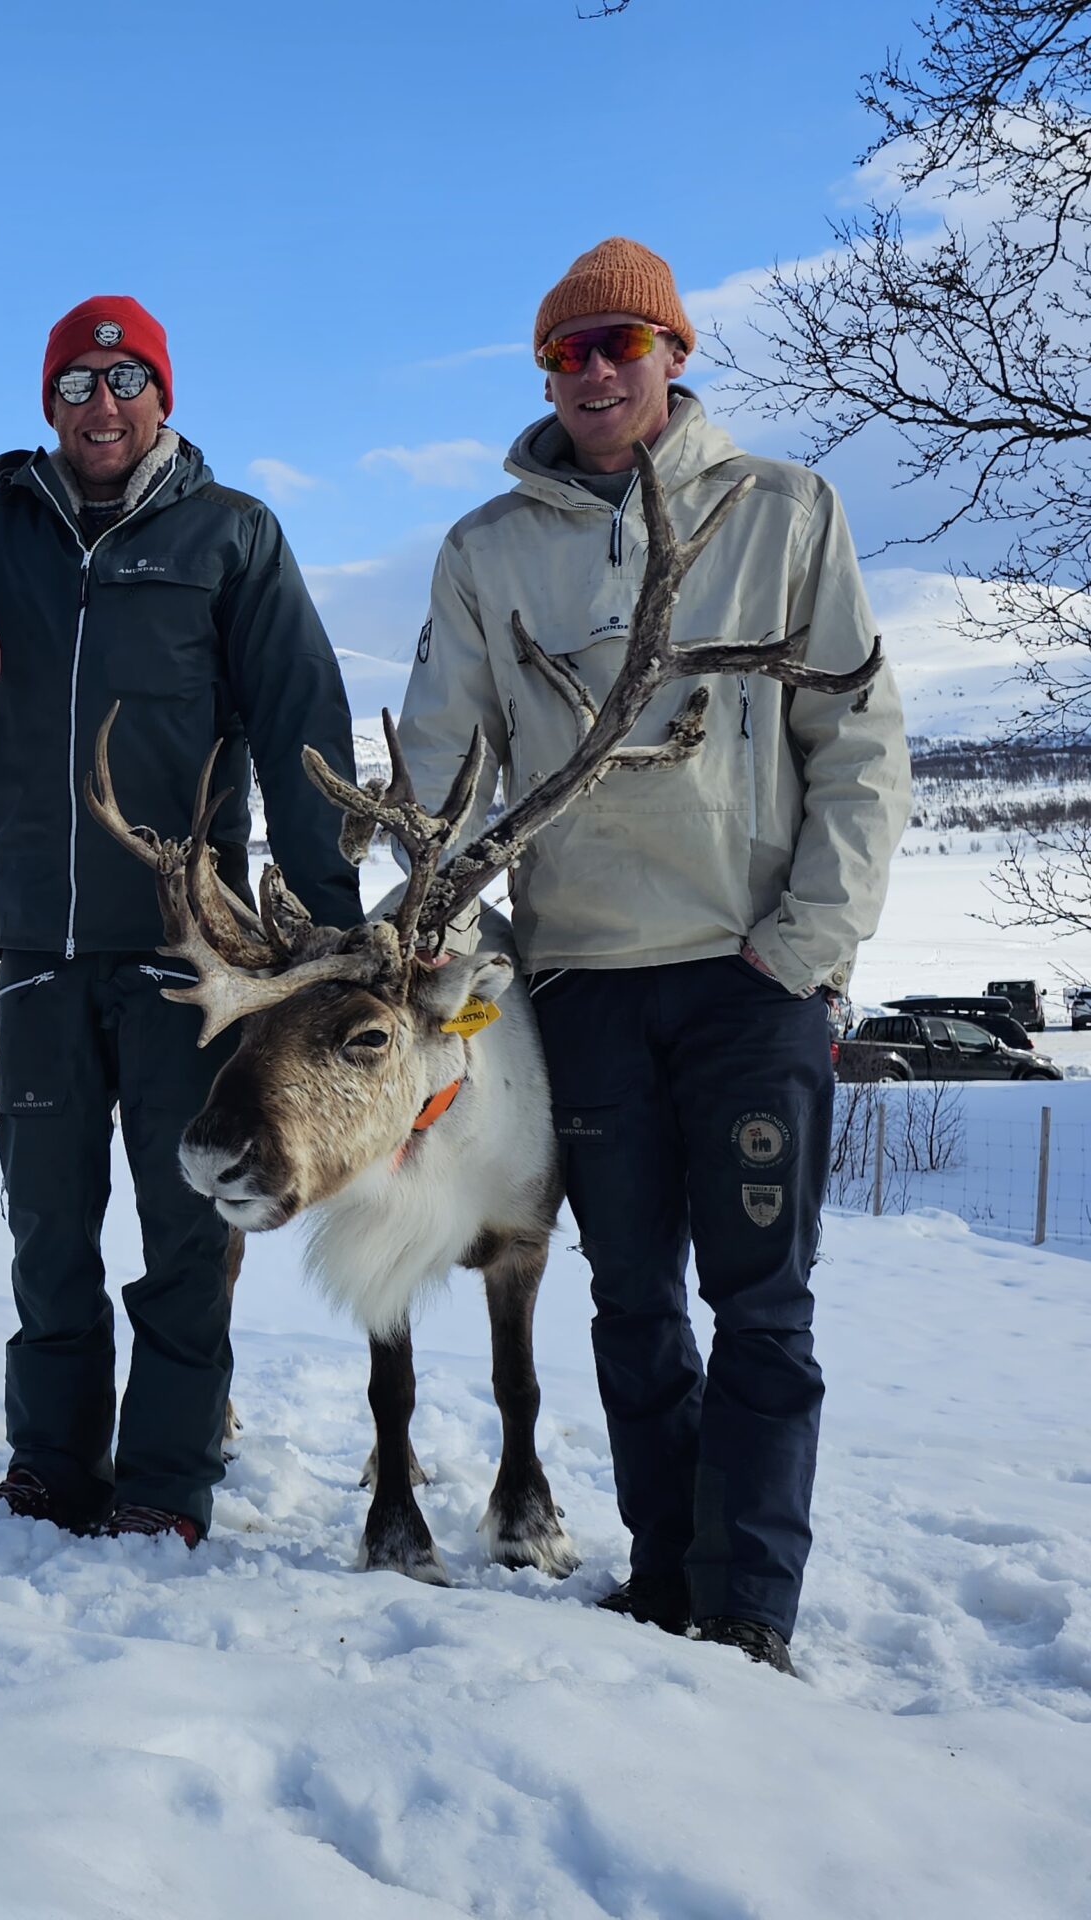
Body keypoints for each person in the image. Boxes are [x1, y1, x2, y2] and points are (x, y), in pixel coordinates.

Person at [394, 238, 912, 1672]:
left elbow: (858, 747)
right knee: (630, 1298)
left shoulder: (786, 514)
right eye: (568, 353)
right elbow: (444, 758)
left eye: (622, 345)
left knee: (761, 1302)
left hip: (750, 978)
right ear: (547, 375)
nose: (596, 372)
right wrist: (449, 922)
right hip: (583, 992)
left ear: (675, 353)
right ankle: (669, 1581)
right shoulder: (485, 552)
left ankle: (749, 1604)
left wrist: (805, 943)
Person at [0, 298, 359, 1547]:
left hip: (187, 962)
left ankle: (164, 1483)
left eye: (124, 381)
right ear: (47, 403)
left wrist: (332, 937)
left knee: (178, 1232)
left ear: (162, 395)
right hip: (37, 954)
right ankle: (50, 1467)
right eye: (74, 385)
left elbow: (301, 726)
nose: (100, 407)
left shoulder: (231, 537)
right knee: (47, 1228)